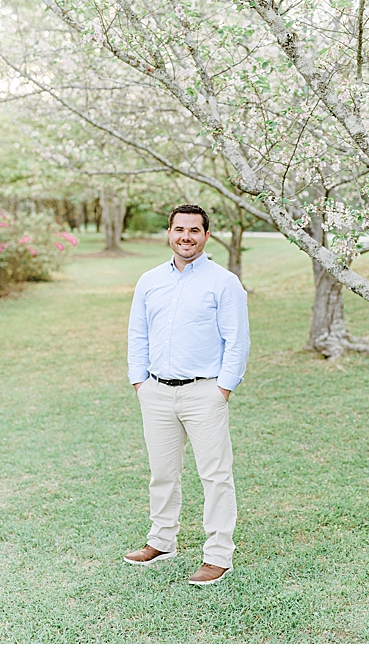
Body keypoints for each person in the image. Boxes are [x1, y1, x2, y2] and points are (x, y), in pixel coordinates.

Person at [123, 204, 249, 586]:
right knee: (162, 473)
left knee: (215, 475)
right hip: (156, 392)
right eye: (179, 229)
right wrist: (139, 383)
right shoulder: (149, 280)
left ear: (206, 236)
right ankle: (161, 541)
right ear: (169, 233)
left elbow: (237, 341)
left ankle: (218, 555)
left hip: (204, 393)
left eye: (194, 230)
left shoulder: (223, 282)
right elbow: (138, 334)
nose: (186, 237)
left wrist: (222, 389)